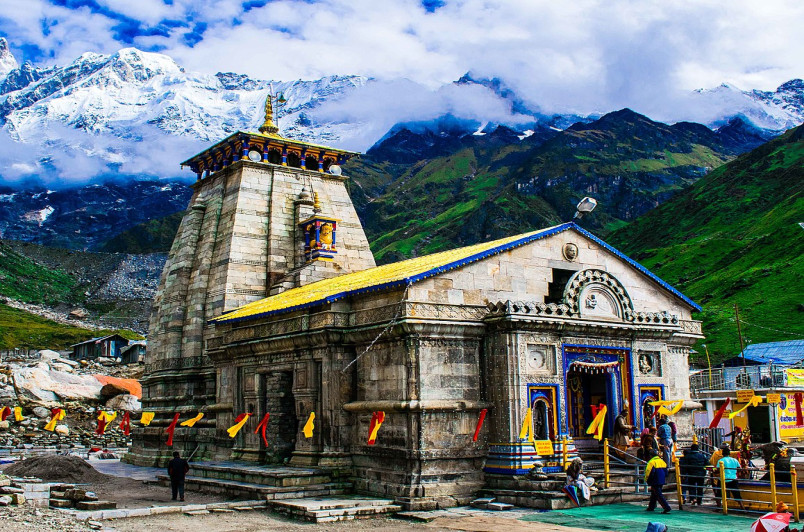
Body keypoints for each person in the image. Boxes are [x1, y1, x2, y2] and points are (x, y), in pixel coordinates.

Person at [645, 449, 671, 514]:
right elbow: (666, 472)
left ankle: (666, 507)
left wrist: (647, 480)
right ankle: (651, 507)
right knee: (654, 494)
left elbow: (649, 472)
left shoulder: (651, 462)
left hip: (654, 480)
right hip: (661, 480)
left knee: (658, 494)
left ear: (651, 455)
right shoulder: (662, 461)